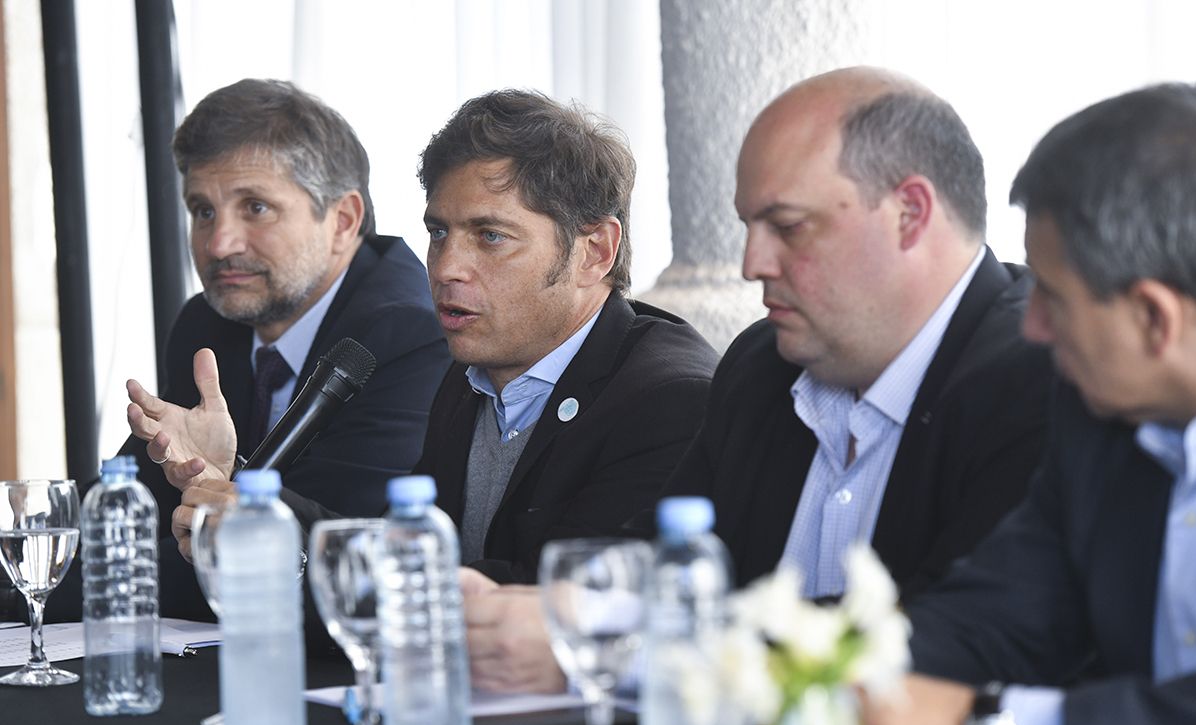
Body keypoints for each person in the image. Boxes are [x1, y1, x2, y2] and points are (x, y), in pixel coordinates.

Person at [459, 67, 1055, 693]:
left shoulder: (1038, 377)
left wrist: (604, 641)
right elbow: (667, 558)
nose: (753, 264)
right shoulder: (762, 365)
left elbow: (945, 637)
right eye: (749, 227)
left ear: (910, 213)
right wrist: (525, 607)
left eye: (789, 227)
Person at [135, 90, 718, 643]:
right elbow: (404, 552)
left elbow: (540, 607)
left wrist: (288, 543)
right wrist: (245, 498)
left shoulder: (667, 400)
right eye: (439, 232)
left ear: (595, 252)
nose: (446, 268)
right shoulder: (471, 377)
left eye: (490, 236)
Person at [864, 83, 1196, 725]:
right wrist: (833, 682)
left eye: (1053, 295)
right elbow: (999, 616)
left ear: (1152, 318)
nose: (1032, 325)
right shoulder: (1098, 422)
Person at [116, 78, 449, 621]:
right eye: (203, 211)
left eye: (255, 208)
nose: (219, 244)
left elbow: (322, 558)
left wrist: (217, 508)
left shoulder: (408, 334)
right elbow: (125, 517)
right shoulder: (208, 323)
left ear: (342, 220)